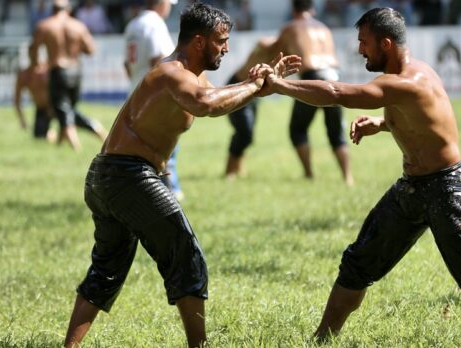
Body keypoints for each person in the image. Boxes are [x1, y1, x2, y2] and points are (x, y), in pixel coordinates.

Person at [258, 7, 461, 346]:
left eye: (364, 43)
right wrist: (383, 123)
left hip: (446, 190)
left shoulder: (409, 80)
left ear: (385, 44)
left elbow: (337, 93)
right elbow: (426, 120)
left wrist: (280, 85)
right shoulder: (408, 76)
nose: (360, 50)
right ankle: (322, 340)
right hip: (412, 188)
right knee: (357, 262)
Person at [62, 3, 300, 348]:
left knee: (107, 270)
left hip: (110, 177)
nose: (227, 47)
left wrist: (259, 81)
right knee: (186, 257)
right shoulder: (172, 73)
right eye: (222, 40)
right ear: (199, 41)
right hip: (128, 176)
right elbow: (206, 104)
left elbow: (220, 96)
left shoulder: (191, 75)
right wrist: (254, 84)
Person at [270, 0, 354, 185]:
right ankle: (348, 178)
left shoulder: (290, 27)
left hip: (313, 77)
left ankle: (309, 174)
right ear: (313, 9)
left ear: (293, 10)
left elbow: (275, 53)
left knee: (297, 129)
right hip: (335, 77)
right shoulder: (324, 28)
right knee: (336, 130)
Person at [123, 0, 184, 200]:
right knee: (164, 147)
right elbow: (160, 61)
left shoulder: (133, 24)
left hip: (135, 93)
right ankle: (168, 191)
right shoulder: (155, 24)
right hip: (154, 97)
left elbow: (126, 64)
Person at [29, 0, 96, 152]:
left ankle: (76, 148)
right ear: (68, 10)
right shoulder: (78, 26)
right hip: (76, 71)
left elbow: (33, 49)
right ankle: (60, 145)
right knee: (68, 109)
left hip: (58, 71)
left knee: (63, 110)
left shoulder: (45, 25)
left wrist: (37, 65)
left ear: (52, 10)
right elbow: (90, 49)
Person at [13, 61, 108, 142]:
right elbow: (17, 99)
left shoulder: (46, 70)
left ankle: (105, 137)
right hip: (43, 110)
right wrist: (22, 120)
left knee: (82, 122)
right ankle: (59, 137)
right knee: (40, 137)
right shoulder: (24, 75)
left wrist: (52, 106)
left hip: (57, 105)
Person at [224, 37, 276, 178]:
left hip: (255, 91)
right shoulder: (268, 46)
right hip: (240, 84)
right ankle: (229, 171)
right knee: (245, 132)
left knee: (248, 132)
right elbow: (262, 42)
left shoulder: (284, 53)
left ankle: (238, 167)